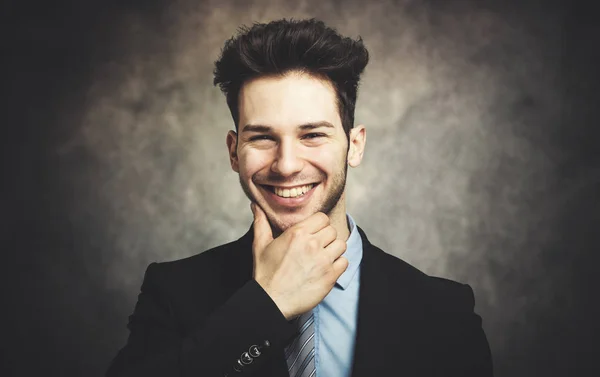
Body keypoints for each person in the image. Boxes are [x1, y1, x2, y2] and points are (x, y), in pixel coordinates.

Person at [106, 18, 493, 377]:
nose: (287, 165)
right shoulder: (173, 292)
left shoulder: (445, 312)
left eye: (312, 135)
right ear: (233, 151)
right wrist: (266, 305)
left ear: (354, 146)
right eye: (262, 137)